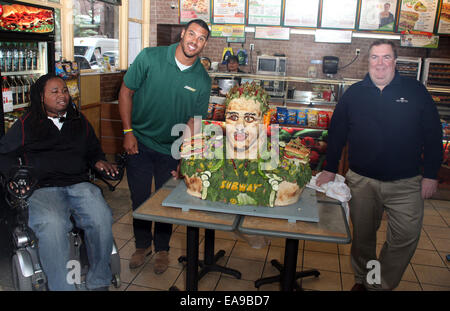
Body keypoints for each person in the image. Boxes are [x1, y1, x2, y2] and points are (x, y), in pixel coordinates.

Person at [316, 40, 443, 291]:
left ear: (395, 61)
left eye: (386, 57)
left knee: (405, 237)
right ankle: (365, 280)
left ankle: (379, 284)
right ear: (368, 61)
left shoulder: (415, 91)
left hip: (406, 183)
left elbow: (433, 135)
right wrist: (330, 168)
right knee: (363, 238)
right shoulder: (354, 93)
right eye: (375, 57)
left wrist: (431, 174)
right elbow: (337, 132)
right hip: (362, 181)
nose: (380, 64)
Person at [0, 74, 118, 291]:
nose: (62, 95)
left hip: (79, 184)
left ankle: (99, 281)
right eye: (54, 92)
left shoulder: (78, 120)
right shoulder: (27, 123)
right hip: (43, 188)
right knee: (53, 226)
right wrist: (15, 176)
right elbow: (4, 154)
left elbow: (93, 150)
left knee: (101, 217)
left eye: (64, 90)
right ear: (41, 97)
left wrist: (99, 161)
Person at [118, 19, 211, 273]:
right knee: (139, 198)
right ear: (182, 34)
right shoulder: (150, 57)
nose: (194, 40)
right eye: (191, 33)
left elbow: (195, 121)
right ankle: (141, 245)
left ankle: (162, 249)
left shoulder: (202, 80)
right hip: (139, 141)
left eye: (201, 38)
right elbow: (126, 92)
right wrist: (127, 132)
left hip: (171, 148)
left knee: (166, 201)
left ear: (204, 44)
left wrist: (185, 158)